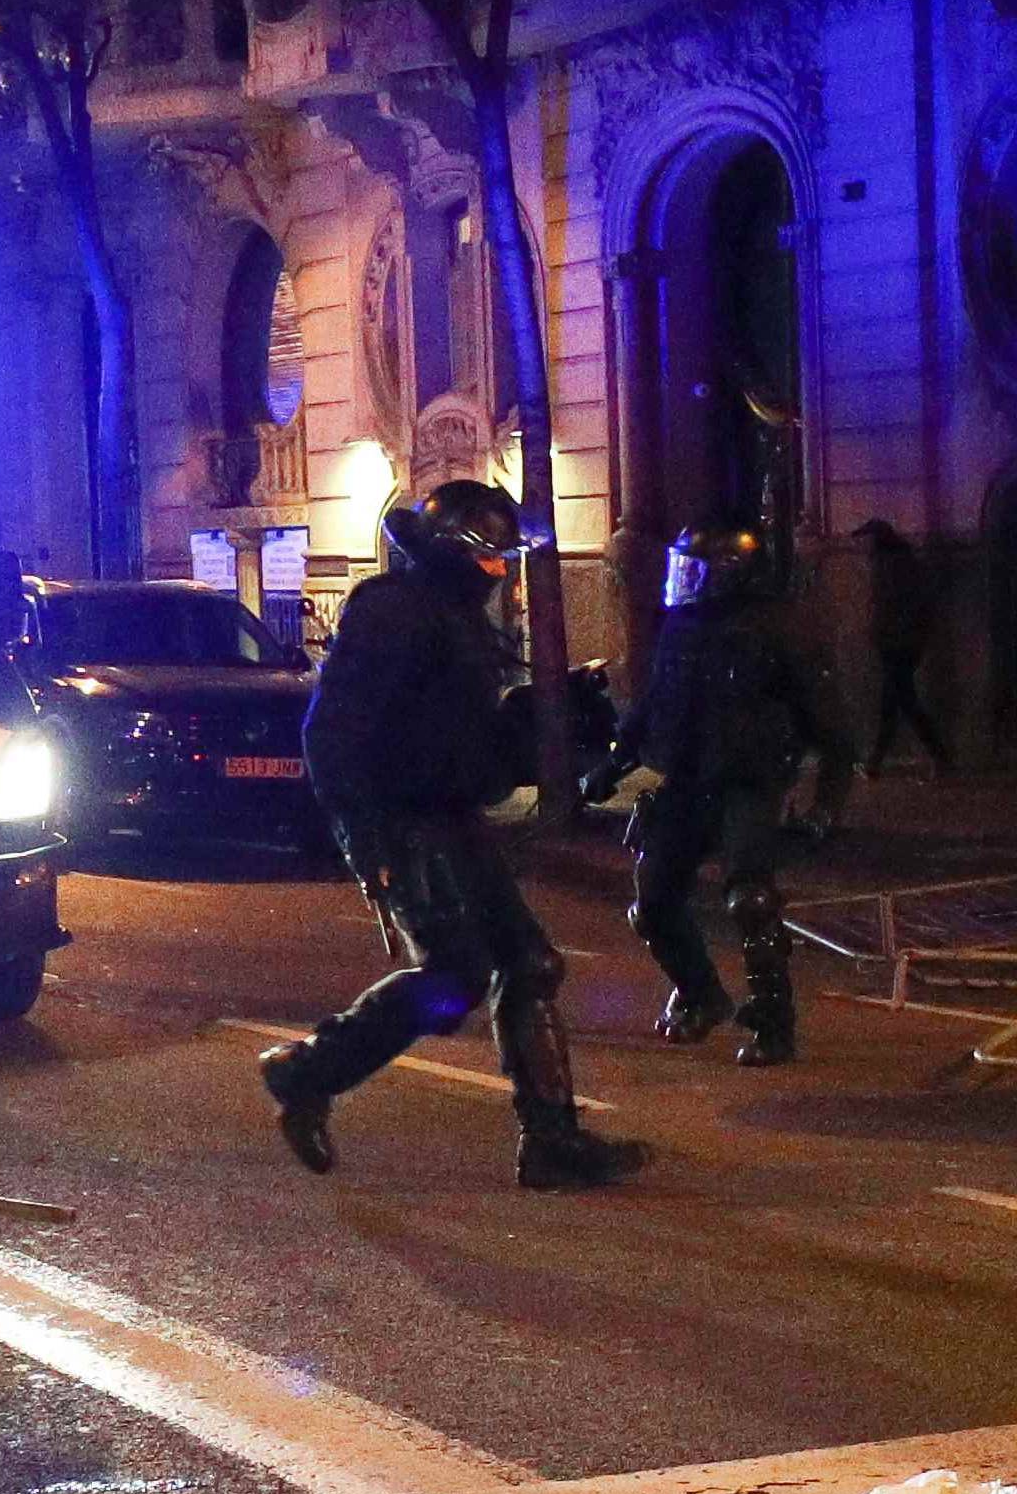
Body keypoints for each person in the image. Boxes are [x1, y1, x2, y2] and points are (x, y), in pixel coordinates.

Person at [260, 480, 650, 1192]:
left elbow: (461, 728)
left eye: (505, 555)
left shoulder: (457, 616)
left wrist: (534, 726)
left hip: (456, 817)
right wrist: (364, 839)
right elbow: (333, 730)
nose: (499, 567)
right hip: (406, 822)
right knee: (453, 976)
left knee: (529, 964)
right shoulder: (392, 610)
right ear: (452, 548)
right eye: (489, 552)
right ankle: (308, 1070)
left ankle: (552, 1140)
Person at [583, 521, 853, 1066]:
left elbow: (832, 729)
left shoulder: (780, 627)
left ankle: (774, 1023)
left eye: (696, 570)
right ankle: (700, 993)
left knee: (749, 899)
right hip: (687, 780)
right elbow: (653, 705)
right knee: (653, 902)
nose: (684, 579)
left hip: (751, 781)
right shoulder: (681, 628)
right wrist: (610, 766)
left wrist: (826, 804)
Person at [855, 518, 951, 775]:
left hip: (898, 642)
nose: (864, 548)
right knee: (894, 701)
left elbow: (891, 606)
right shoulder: (901, 563)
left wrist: (880, 631)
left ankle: (938, 755)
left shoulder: (892, 567)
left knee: (903, 701)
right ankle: (876, 762)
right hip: (902, 641)